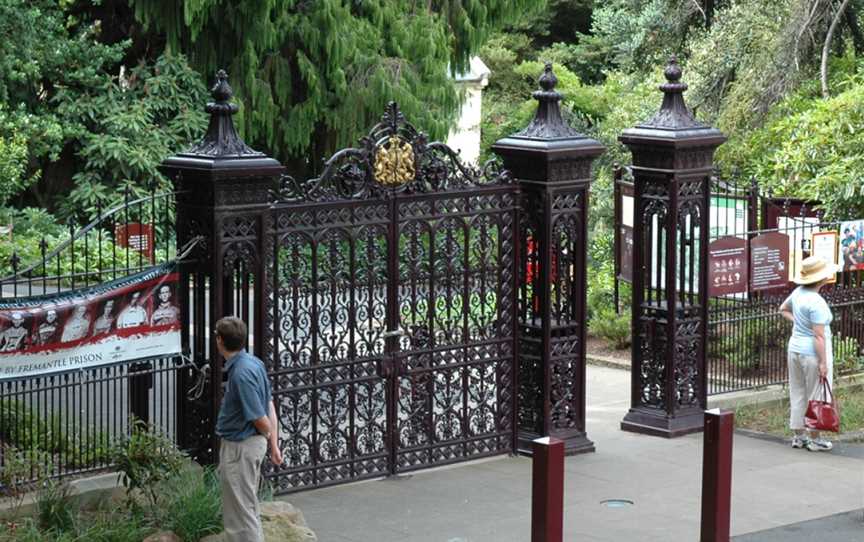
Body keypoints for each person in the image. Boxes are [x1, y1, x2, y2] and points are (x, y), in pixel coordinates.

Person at [214, 316, 282, 542]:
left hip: (240, 448)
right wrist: (273, 445)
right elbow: (269, 404)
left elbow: (260, 418)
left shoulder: (241, 373)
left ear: (220, 341)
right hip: (248, 445)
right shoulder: (254, 363)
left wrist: (269, 436)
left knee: (240, 516)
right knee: (247, 509)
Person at [779, 255, 836, 452]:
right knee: (815, 395)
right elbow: (819, 336)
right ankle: (815, 438)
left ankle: (798, 436)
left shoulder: (798, 293)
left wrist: (798, 322)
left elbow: (783, 309)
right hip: (813, 353)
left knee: (798, 392)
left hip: (794, 349)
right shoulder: (817, 302)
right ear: (821, 279)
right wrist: (823, 363)